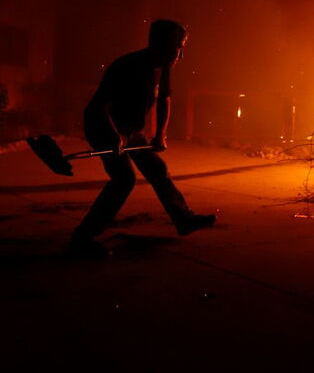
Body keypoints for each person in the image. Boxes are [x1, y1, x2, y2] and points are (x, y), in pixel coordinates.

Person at [70, 19, 216, 258]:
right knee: (124, 179)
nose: (180, 54)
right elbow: (100, 106)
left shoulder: (163, 66)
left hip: (131, 131)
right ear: (161, 44)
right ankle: (82, 238)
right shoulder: (127, 66)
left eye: (182, 48)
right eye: (177, 46)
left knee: (156, 168)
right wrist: (114, 136)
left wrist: (160, 134)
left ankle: (184, 220)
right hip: (102, 126)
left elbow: (164, 100)